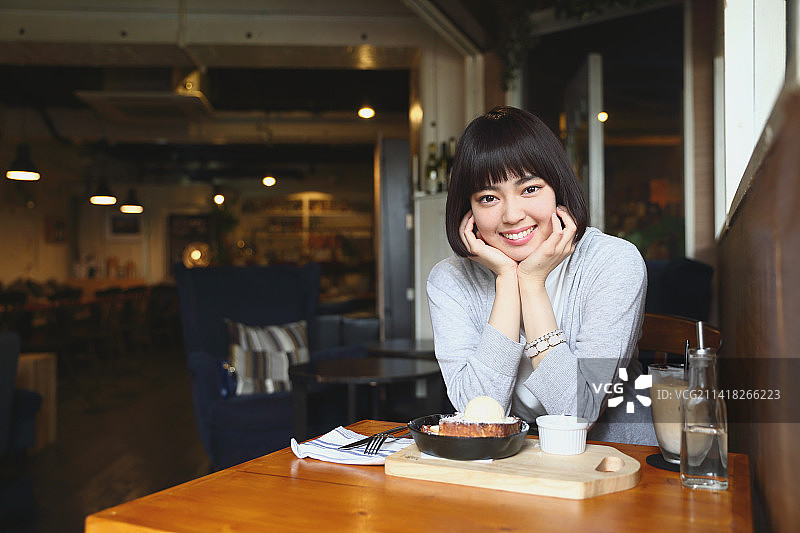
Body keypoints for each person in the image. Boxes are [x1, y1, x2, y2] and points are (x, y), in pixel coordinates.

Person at [427, 106, 656, 445]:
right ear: (468, 210)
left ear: (557, 189)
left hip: (615, 457)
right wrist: (507, 279)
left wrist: (532, 283)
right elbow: (477, 416)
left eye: (530, 189)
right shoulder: (450, 280)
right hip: (513, 462)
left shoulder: (613, 262)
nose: (512, 214)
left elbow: (578, 413)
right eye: (489, 197)